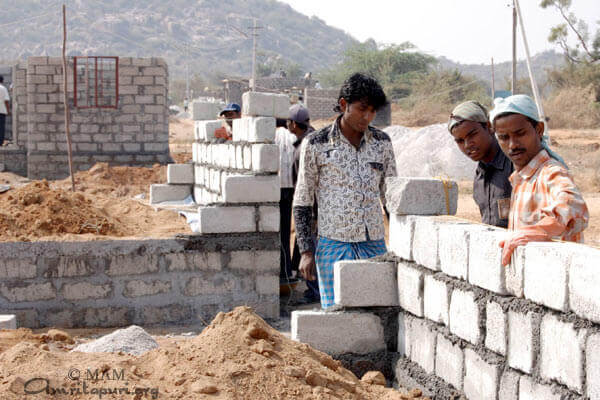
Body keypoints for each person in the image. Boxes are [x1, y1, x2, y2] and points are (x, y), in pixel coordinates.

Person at [293, 73, 397, 309]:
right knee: (336, 312)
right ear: (343, 105)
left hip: (373, 244)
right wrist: (306, 251)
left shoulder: (382, 143)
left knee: (377, 311)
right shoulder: (316, 144)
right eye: (362, 109)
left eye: (373, 111)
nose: (368, 117)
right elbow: (302, 201)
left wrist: (401, 241)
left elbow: (390, 197)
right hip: (333, 243)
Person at [489, 94, 589, 266]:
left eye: (520, 133)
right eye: (503, 137)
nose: (512, 144)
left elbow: (573, 204)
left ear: (539, 129)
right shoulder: (522, 178)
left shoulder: (550, 172)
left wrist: (539, 230)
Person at [448, 101, 513, 228]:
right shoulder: (480, 177)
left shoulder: (515, 165)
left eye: (472, 135)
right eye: (460, 141)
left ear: (489, 127)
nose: (467, 145)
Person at [286, 104, 319, 303]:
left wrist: (312, 216)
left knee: (311, 250)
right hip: (317, 209)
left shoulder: (304, 148)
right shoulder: (312, 139)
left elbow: (307, 186)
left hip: (312, 209)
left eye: (288, 122)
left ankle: (316, 291)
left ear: (293, 125)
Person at [0, 76, 10, 147]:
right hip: (1, 110)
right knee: (1, 127)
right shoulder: (3, 88)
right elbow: (6, 101)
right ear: (2, 81)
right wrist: (8, 110)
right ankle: (0, 142)